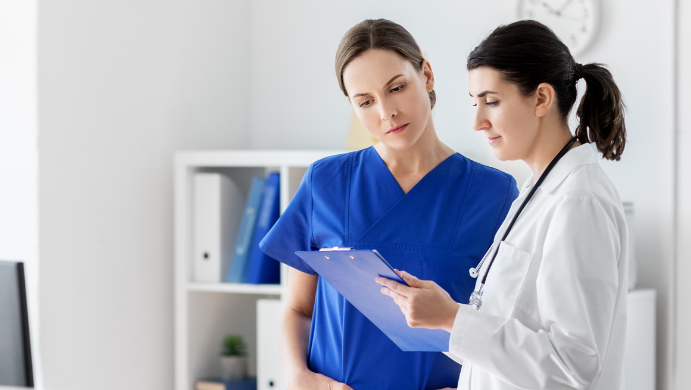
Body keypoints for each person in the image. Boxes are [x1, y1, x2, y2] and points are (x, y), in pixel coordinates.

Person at [258, 19, 520, 390]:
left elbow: (504, 327)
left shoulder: (494, 194)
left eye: (396, 88)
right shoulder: (325, 183)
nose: (386, 112)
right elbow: (299, 309)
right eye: (365, 102)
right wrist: (302, 378)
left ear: (426, 76)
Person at [376, 20, 630, 390]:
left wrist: (453, 318)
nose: (478, 122)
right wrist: (442, 315)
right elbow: (510, 332)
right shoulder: (537, 190)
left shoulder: (579, 201)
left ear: (542, 99)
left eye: (491, 102)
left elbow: (573, 365)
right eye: (474, 102)